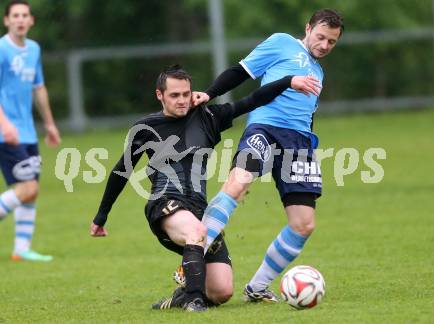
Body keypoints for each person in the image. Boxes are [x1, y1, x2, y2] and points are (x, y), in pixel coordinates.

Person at [89, 65, 316, 312]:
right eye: (174, 95)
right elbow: (121, 171)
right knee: (196, 231)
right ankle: (193, 300)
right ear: (159, 95)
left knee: (221, 291)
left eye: (186, 94)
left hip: (199, 209)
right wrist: (101, 216)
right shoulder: (145, 128)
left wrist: (288, 81)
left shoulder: (207, 117)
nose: (182, 101)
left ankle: (182, 295)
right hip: (164, 203)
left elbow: (251, 100)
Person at [192, 8, 344, 302]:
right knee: (238, 182)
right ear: (308, 28)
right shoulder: (281, 43)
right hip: (265, 129)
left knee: (304, 224)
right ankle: (193, 260)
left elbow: (307, 116)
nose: (325, 45)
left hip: (299, 144)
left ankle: (257, 287)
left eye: (332, 42)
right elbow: (241, 71)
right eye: (321, 37)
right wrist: (209, 94)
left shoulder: (319, 73)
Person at [0, 0, 61, 262]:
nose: (21, 19)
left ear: (31, 20)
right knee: (26, 188)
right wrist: (4, 124)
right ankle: (22, 248)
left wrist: (49, 124)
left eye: (25, 15)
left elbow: (38, 87)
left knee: (31, 190)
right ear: (7, 21)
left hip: (27, 131)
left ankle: (22, 249)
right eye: (15, 15)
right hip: (6, 131)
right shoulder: (2, 49)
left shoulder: (33, 49)